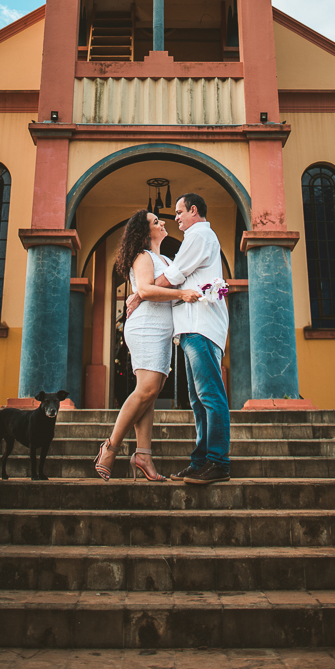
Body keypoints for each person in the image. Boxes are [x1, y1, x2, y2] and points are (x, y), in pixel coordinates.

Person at [93, 209, 200, 482]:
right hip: (145, 327)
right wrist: (181, 293)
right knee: (148, 388)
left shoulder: (165, 258)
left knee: (151, 392)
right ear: (145, 232)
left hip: (163, 331)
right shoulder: (143, 256)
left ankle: (143, 455)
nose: (162, 222)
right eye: (156, 222)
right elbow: (146, 290)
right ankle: (110, 447)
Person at [132, 193, 231, 485]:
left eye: (179, 212)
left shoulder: (200, 235)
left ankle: (217, 462)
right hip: (190, 329)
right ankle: (200, 461)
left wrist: (142, 291)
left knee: (210, 396)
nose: (174, 218)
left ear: (194, 211)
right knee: (198, 400)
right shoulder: (196, 237)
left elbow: (174, 274)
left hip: (201, 327)